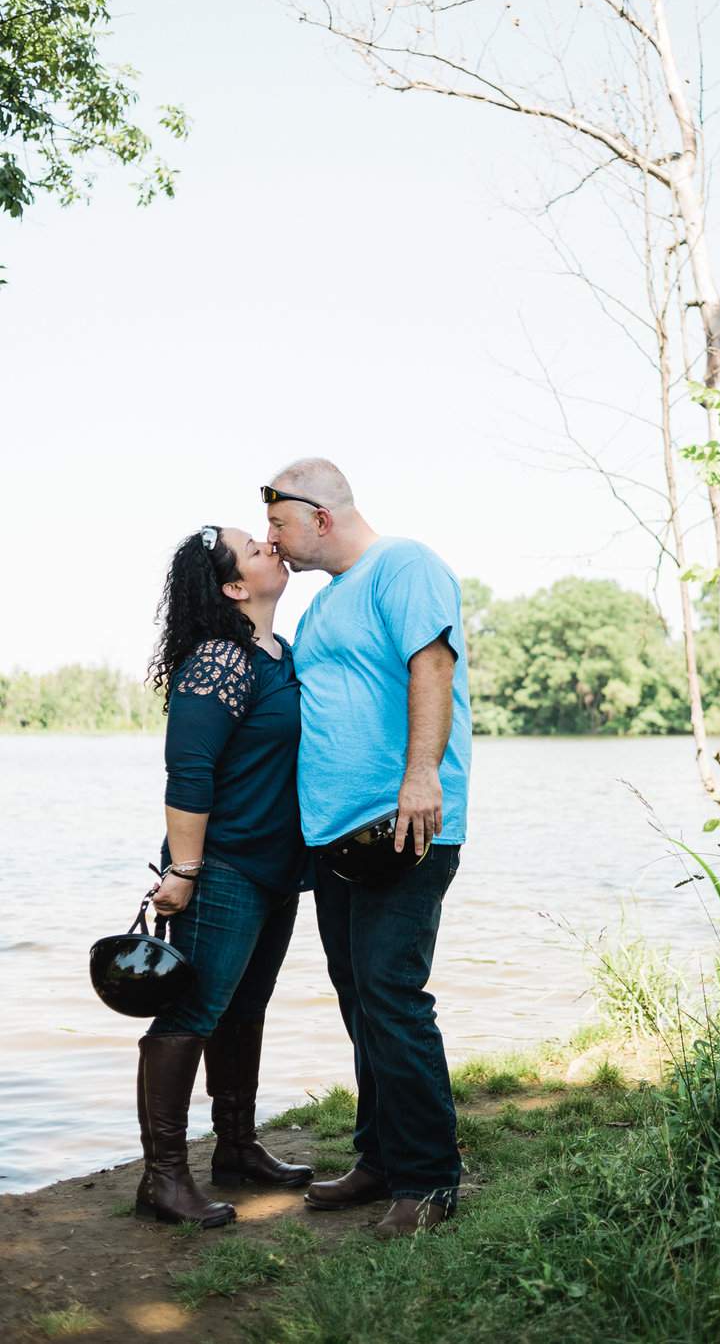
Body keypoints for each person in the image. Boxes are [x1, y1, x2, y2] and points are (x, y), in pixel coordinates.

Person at [262, 459, 471, 1238]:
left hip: (404, 825)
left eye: (279, 524)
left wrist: (421, 777)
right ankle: (380, 1158)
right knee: (360, 999)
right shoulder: (324, 606)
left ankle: (429, 1183)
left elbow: (433, 665)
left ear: (319, 515)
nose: (273, 541)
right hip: (336, 837)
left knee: (392, 997)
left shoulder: (404, 565)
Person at [137, 525, 313, 1227]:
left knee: (245, 1007)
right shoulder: (218, 660)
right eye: (255, 548)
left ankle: (236, 1148)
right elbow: (190, 772)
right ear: (235, 587)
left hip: (277, 867)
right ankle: (164, 1179)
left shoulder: (278, 653)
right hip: (223, 868)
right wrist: (183, 872)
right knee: (189, 1014)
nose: (273, 545)